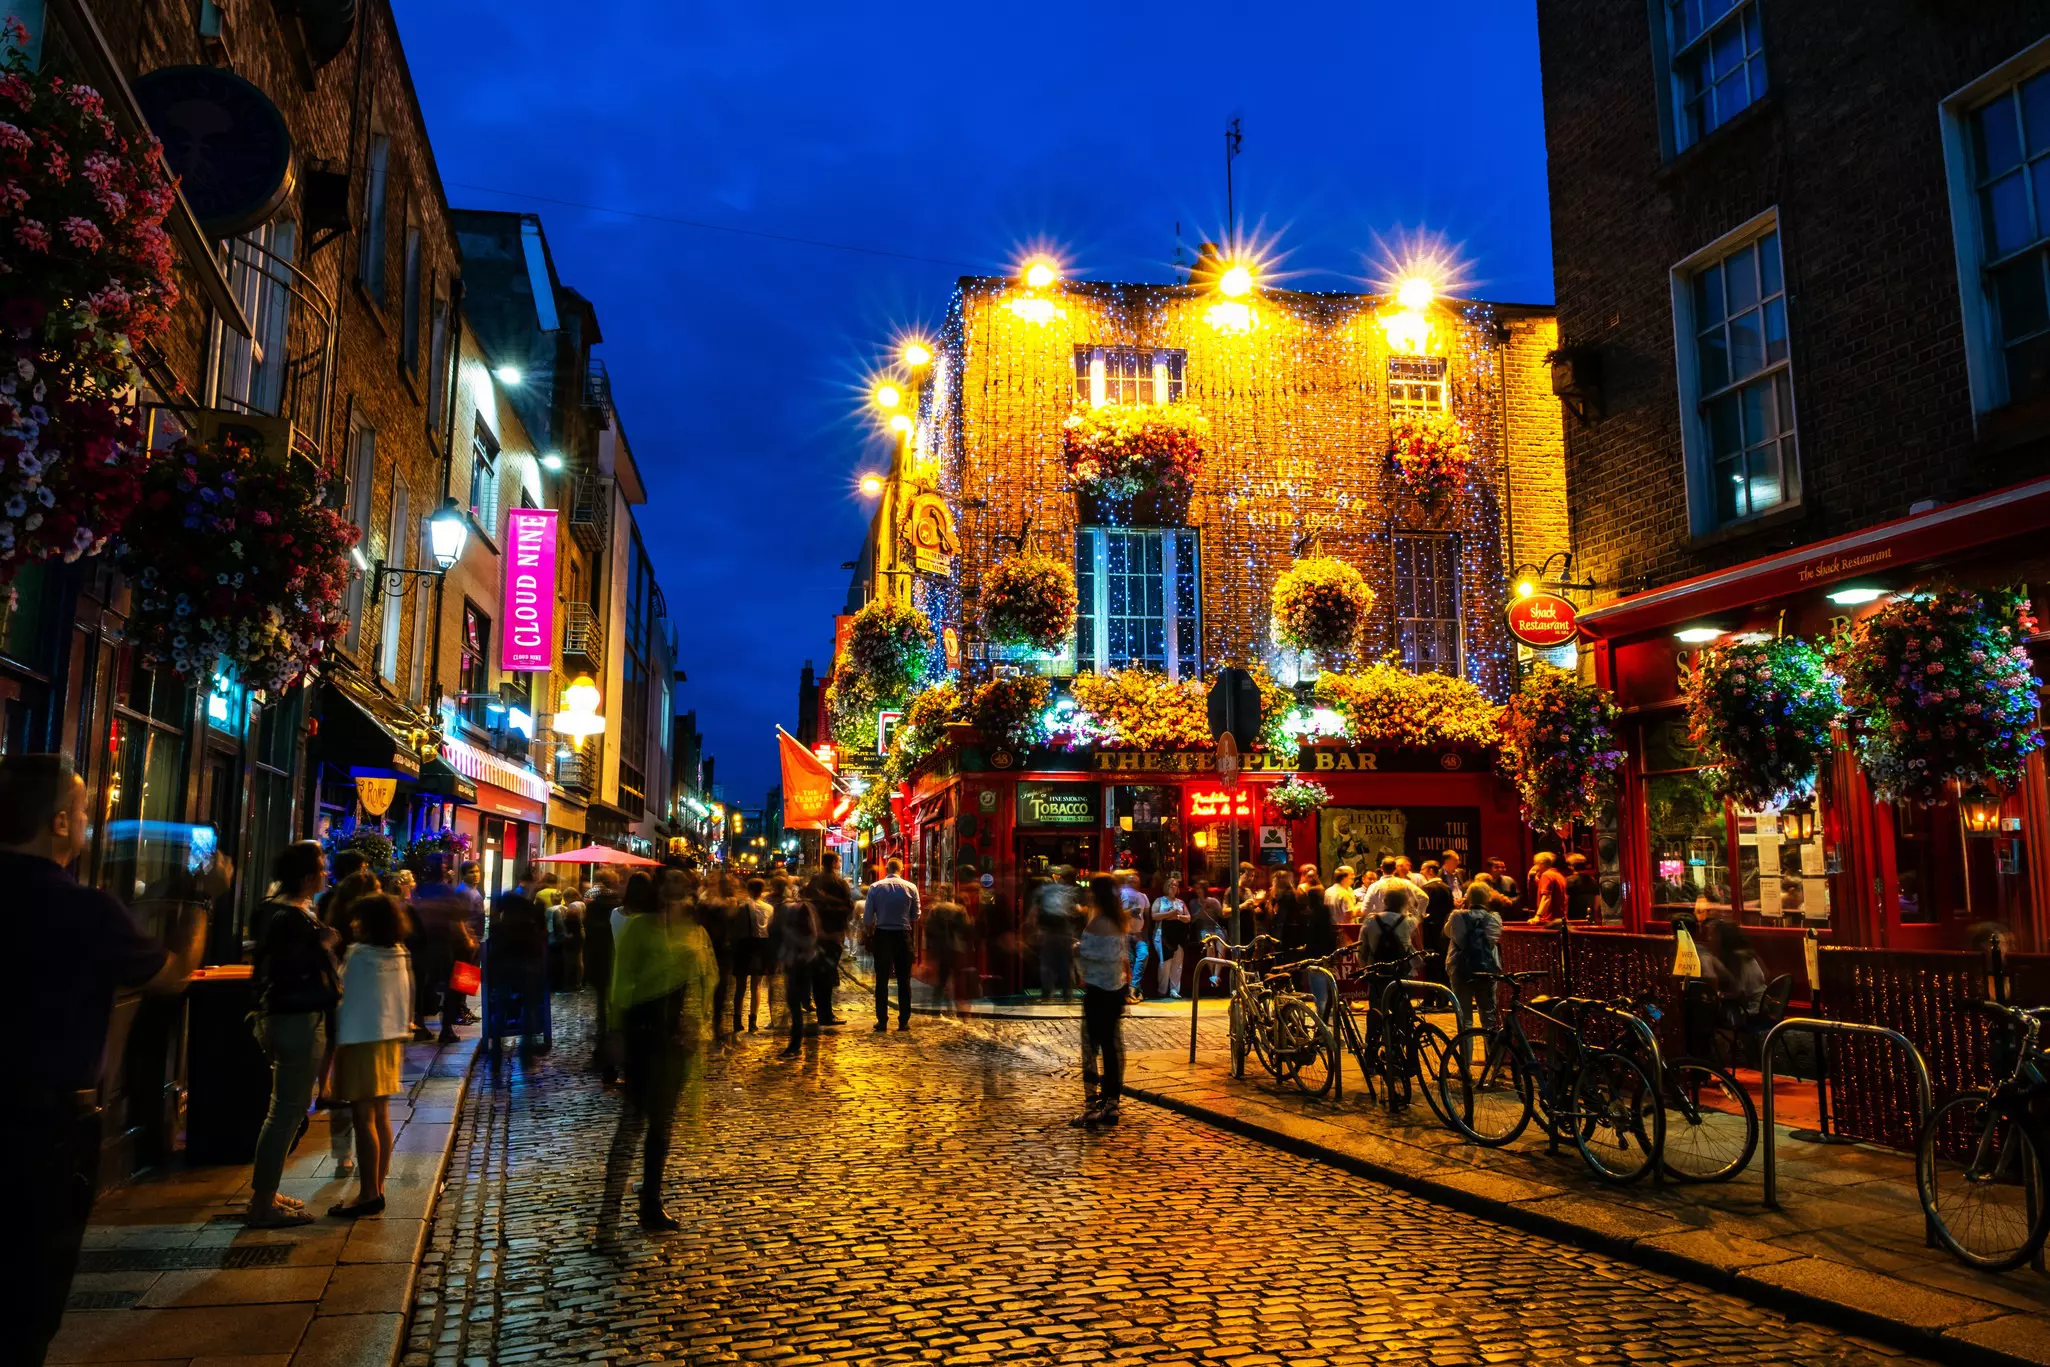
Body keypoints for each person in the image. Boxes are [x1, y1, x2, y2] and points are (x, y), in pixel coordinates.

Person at [1, 755, 204, 1366]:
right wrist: (197, 905)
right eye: (86, 812)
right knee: (27, 1295)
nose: (91, 822)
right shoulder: (84, 909)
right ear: (59, 822)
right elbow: (170, 977)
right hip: (44, 1129)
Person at [606, 871, 715, 1231]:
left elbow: (705, 981)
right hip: (642, 1031)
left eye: (679, 882)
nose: (673, 888)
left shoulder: (695, 933)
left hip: (675, 1038)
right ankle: (609, 1207)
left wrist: (697, 1026)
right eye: (667, 881)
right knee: (632, 1122)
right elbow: (621, 981)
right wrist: (616, 1032)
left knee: (662, 1126)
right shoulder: (639, 928)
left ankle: (650, 1201)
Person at [248, 840, 341, 1228]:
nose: (326, 874)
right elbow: (296, 966)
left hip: (277, 1015)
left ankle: (267, 1192)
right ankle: (262, 1204)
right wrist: (324, 944)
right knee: (286, 1111)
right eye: (321, 868)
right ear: (307, 877)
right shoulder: (296, 920)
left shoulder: (271, 910)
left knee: (281, 1109)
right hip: (298, 1018)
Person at [327, 893, 414, 1219]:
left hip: (360, 1040)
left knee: (364, 1119)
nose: (353, 924)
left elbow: (340, 993)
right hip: (388, 1040)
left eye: (358, 918)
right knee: (381, 1116)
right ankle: (377, 1187)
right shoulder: (399, 953)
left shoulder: (359, 955)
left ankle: (367, 1193)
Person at [1075, 876, 1131, 1128]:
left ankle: (1091, 1105)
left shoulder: (1096, 924)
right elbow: (1121, 957)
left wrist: (1076, 949)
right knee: (1113, 1047)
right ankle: (1112, 1103)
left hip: (1097, 991)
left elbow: (1092, 955)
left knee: (1090, 1047)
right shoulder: (1120, 922)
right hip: (1116, 990)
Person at [1445, 873, 1508, 1033]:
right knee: (1489, 1016)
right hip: (1486, 968)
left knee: (1464, 1017)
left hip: (1459, 968)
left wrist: (1461, 908)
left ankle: (1465, 1057)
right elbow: (1492, 941)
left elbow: (1448, 933)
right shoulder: (1494, 918)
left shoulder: (1457, 916)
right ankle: (1492, 1055)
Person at [863, 857, 920, 1032]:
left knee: (881, 980)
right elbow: (916, 916)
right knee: (904, 980)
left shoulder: (875, 887)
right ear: (901, 869)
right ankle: (904, 1021)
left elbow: (867, 918)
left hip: (882, 934)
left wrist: (869, 934)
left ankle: (882, 1020)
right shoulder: (911, 887)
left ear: (886, 868)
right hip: (903, 935)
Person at [768, 880, 821, 1057]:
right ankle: (806, 1042)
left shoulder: (791, 909)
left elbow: (775, 932)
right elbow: (814, 934)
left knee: (794, 1000)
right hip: (807, 958)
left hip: (795, 959)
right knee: (802, 998)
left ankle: (797, 1042)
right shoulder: (808, 908)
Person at [583, 866, 623, 1082]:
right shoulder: (620, 906)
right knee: (614, 1012)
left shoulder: (593, 905)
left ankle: (601, 1052)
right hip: (615, 961)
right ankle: (613, 1057)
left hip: (597, 962)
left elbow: (587, 932)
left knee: (602, 1011)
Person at [806, 863, 856, 1028]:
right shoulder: (840, 883)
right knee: (827, 976)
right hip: (833, 935)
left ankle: (822, 1012)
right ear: (835, 864)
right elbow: (848, 906)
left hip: (814, 935)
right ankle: (826, 1015)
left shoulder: (814, 881)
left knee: (817, 975)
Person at [1033, 866, 1080, 1000]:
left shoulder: (1045, 890)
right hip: (1065, 930)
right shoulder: (1071, 891)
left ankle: (1047, 993)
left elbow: (1036, 910)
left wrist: (1035, 927)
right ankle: (1067, 993)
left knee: (1047, 962)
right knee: (1065, 962)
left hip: (1048, 931)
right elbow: (1076, 910)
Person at [1150, 874, 1192, 1002]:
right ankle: (1162, 990)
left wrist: (1178, 917)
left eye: (1175, 885)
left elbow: (1188, 918)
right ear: (1165, 886)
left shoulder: (1181, 903)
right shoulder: (1159, 900)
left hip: (1178, 936)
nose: (1173, 887)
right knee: (1165, 962)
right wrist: (1169, 914)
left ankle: (1174, 990)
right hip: (1162, 935)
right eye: (1170, 885)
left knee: (1177, 963)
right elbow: (1154, 916)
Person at [739, 876, 774, 1031]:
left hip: (746, 944)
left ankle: (737, 1020)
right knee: (757, 985)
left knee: (741, 985)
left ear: (749, 889)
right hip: (763, 945)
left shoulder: (742, 905)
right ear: (762, 891)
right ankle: (753, 1019)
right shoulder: (769, 908)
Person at [1362, 881, 1418, 967]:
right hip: (1400, 967)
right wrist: (1410, 905)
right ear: (1404, 903)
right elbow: (1417, 918)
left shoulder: (1370, 920)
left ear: (1384, 901)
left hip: (1375, 967)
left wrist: (1364, 966)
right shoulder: (1409, 921)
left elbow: (1362, 948)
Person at [927, 898, 971, 1009]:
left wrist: (930, 949)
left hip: (940, 948)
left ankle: (936, 1007)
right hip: (957, 948)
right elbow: (967, 929)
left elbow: (929, 930)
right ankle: (958, 1007)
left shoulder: (935, 910)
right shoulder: (960, 910)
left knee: (941, 979)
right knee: (958, 978)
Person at [1417, 860, 1456, 977]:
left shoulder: (1426, 889)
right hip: (1444, 930)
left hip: (1431, 931)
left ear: (1430, 871)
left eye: (1423, 869)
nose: (1420, 872)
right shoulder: (1447, 888)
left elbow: (1423, 910)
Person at [1528, 851, 1569, 925]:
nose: (1534, 867)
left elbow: (1546, 898)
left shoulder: (1546, 875)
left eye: (1535, 864)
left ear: (1541, 864)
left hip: (1549, 921)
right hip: (1560, 920)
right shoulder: (1559, 875)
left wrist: (1538, 916)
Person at [1565, 853, 1601, 924]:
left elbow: (1565, 900)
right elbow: (1597, 900)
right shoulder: (1593, 880)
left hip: (1573, 918)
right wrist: (1595, 916)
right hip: (1589, 917)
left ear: (1572, 866)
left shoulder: (1569, 881)